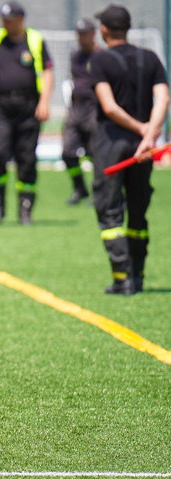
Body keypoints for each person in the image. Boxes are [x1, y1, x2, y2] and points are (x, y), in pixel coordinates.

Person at [89, 4, 168, 295]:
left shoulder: (100, 61)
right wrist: (149, 132)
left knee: (110, 212)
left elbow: (109, 107)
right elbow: (162, 99)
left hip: (112, 142)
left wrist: (138, 129)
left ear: (105, 30)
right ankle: (139, 275)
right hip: (143, 148)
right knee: (138, 210)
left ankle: (122, 278)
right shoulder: (150, 58)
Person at [0, 2, 54, 225]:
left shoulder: (34, 40)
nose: (5, 23)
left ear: (20, 20)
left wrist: (44, 101)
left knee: (26, 158)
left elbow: (47, 71)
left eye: (10, 19)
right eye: (3, 19)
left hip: (27, 108)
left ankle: (25, 208)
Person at [63, 19, 101, 205]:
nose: (81, 37)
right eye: (79, 33)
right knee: (67, 152)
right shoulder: (75, 56)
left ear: (94, 34)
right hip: (76, 107)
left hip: (94, 107)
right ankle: (80, 188)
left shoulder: (102, 56)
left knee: (95, 152)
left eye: (85, 33)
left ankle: (98, 190)